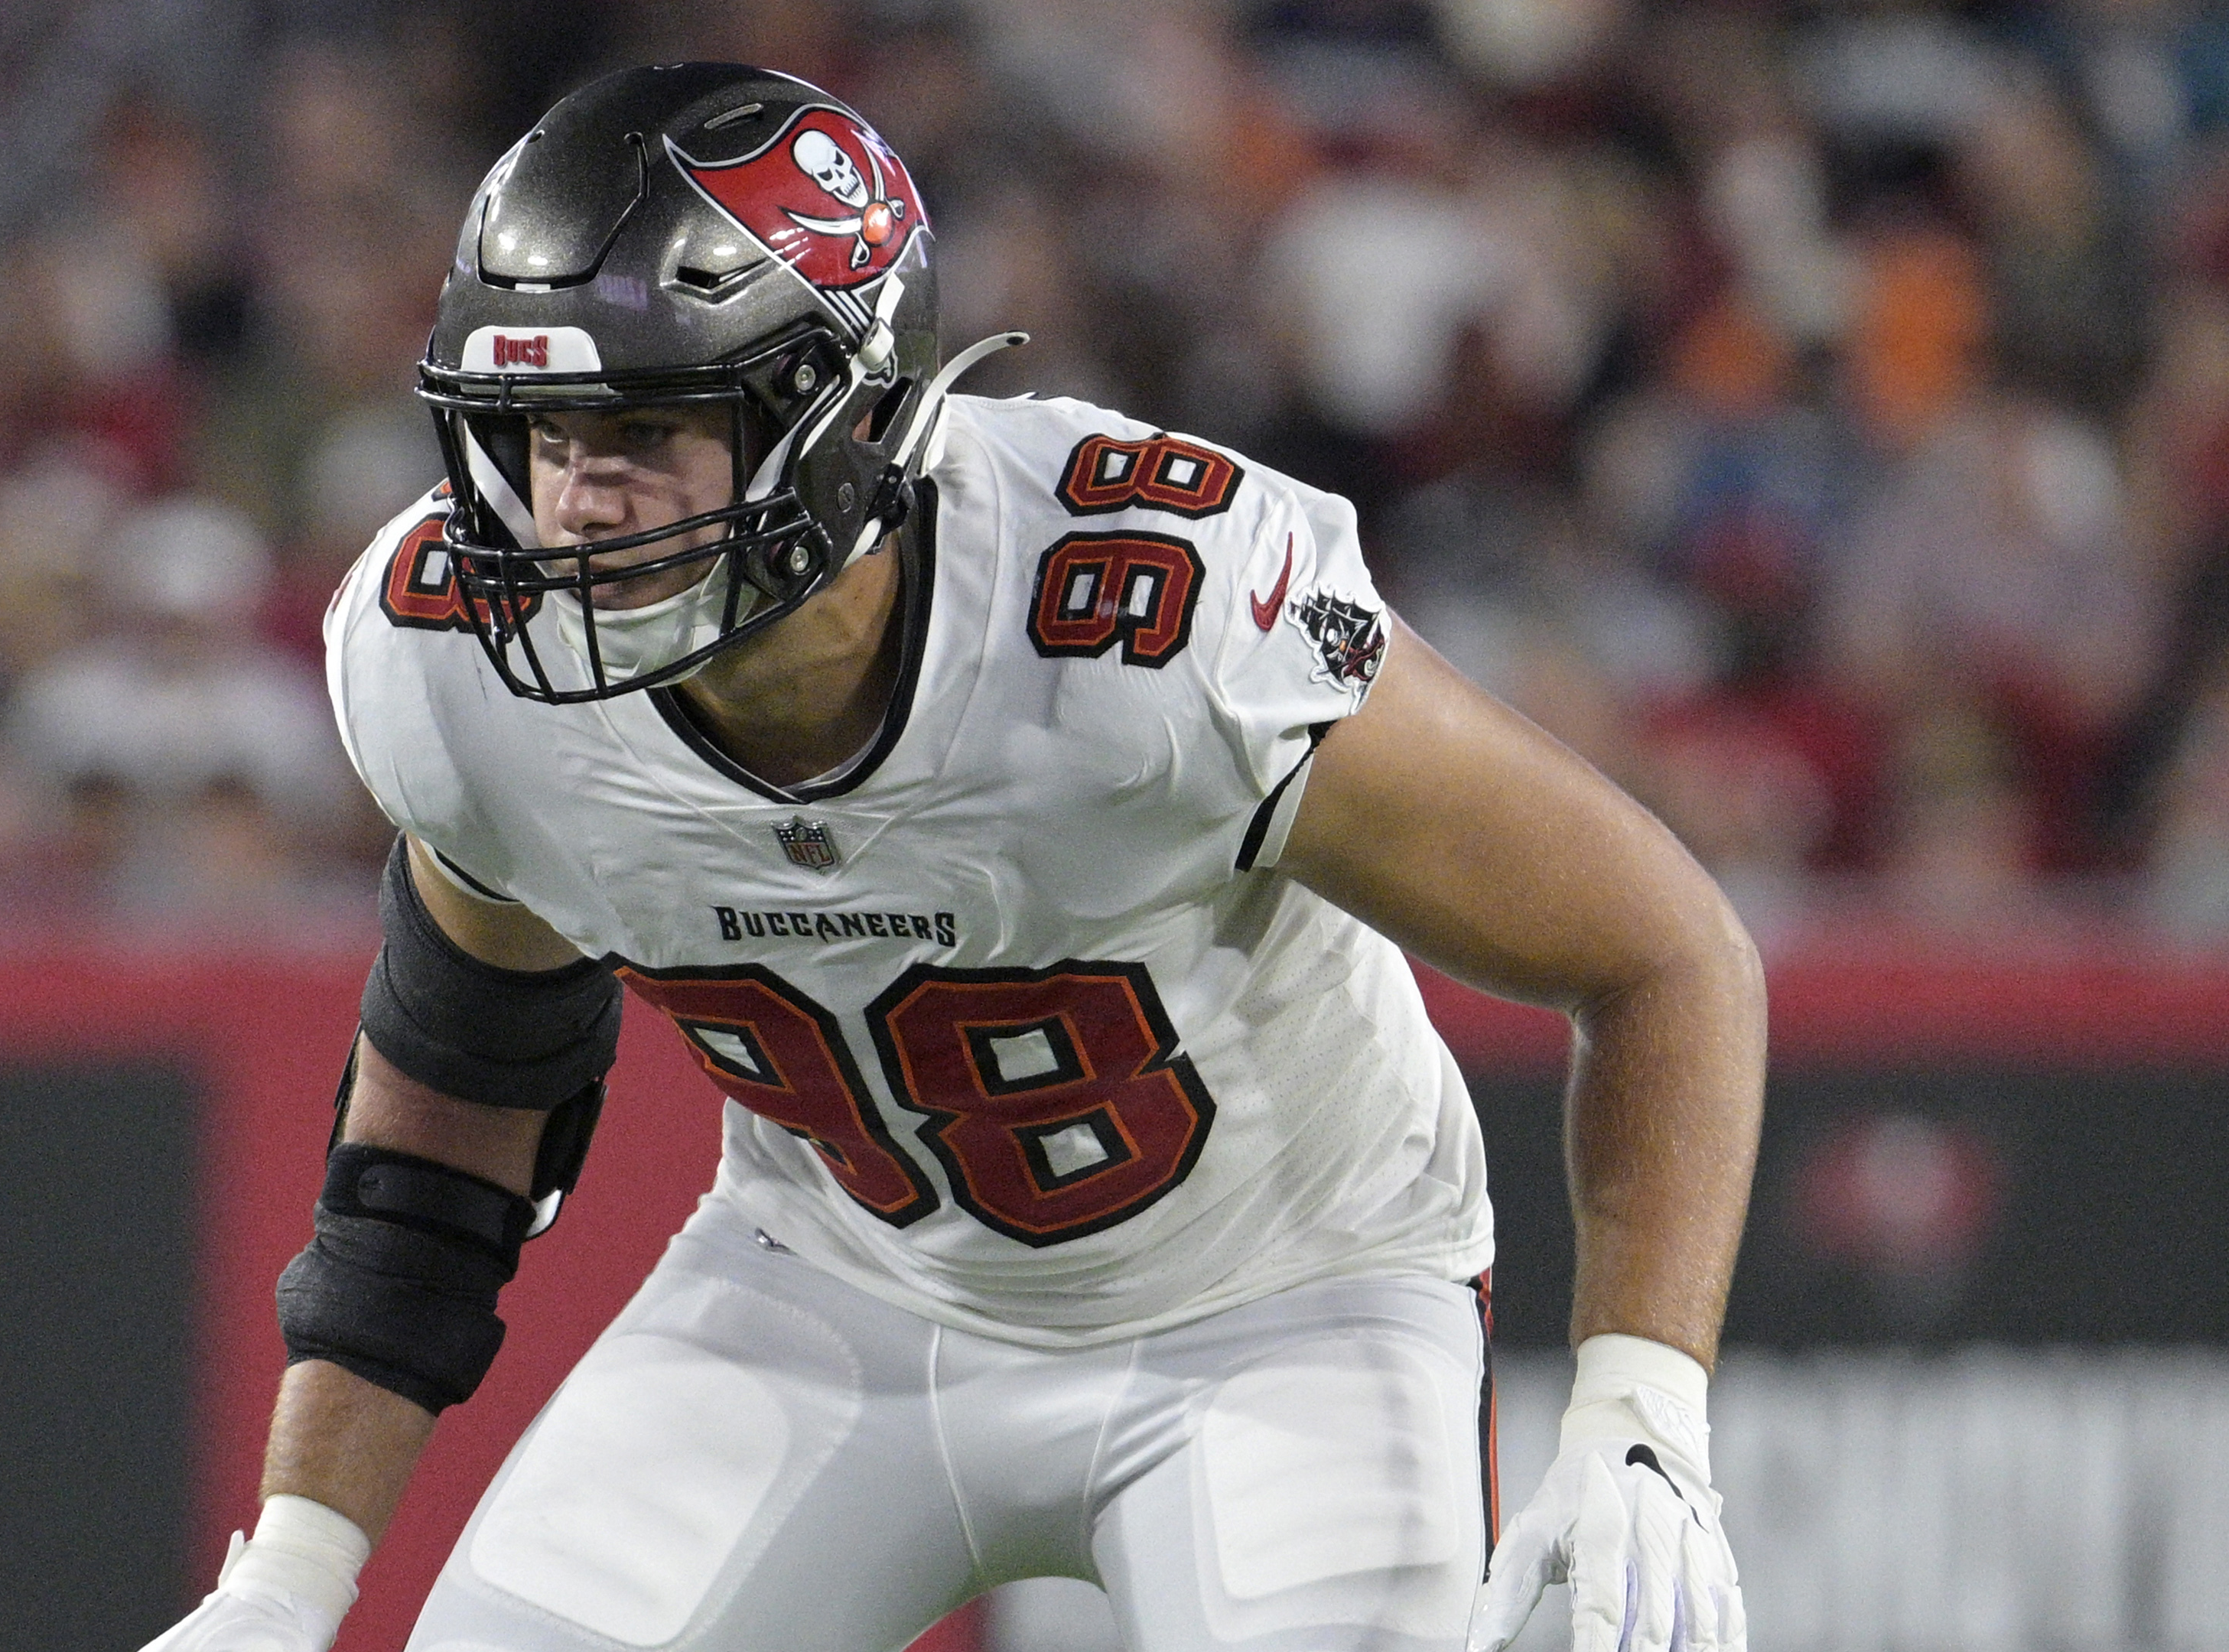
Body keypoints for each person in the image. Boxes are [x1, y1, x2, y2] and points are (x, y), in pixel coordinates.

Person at [142, 63, 1761, 1652]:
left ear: (835, 418)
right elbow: (449, 1117)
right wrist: (288, 1579)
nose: (569, 503)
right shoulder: (454, 662)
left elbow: (1663, 951)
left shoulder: (1156, 618)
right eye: (541, 430)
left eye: (640, 423)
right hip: (831, 1293)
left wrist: (1639, 1405)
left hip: (1286, 1304)